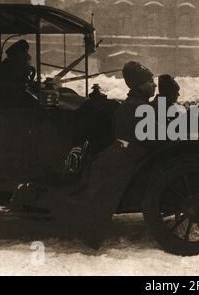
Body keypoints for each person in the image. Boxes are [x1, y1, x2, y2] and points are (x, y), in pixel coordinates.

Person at [10, 61, 159, 249]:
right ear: (139, 85)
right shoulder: (136, 107)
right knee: (89, 198)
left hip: (117, 156)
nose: (154, 85)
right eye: (150, 81)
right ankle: (40, 197)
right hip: (123, 160)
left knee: (89, 192)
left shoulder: (135, 105)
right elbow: (149, 139)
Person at [0, 40, 35, 105]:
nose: (25, 58)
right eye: (23, 54)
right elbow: (4, 86)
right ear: (16, 56)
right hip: (8, 101)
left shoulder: (14, 66)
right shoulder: (5, 67)